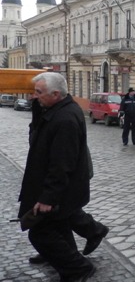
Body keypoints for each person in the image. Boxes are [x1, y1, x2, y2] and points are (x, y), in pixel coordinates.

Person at [18, 72, 96, 282]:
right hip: (59, 191)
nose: (35, 96)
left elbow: (62, 164)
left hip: (61, 193)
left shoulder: (65, 119)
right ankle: (70, 280)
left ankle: (80, 269)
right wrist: (36, 105)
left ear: (55, 94)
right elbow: (38, 131)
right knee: (61, 233)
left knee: (40, 234)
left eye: (39, 93)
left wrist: (48, 198)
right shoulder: (57, 110)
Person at [26, 99, 109, 265]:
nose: (35, 95)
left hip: (71, 168)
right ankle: (63, 251)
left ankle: (91, 234)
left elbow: (64, 155)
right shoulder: (43, 106)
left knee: (63, 209)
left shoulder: (62, 113)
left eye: (38, 92)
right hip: (57, 167)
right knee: (60, 213)